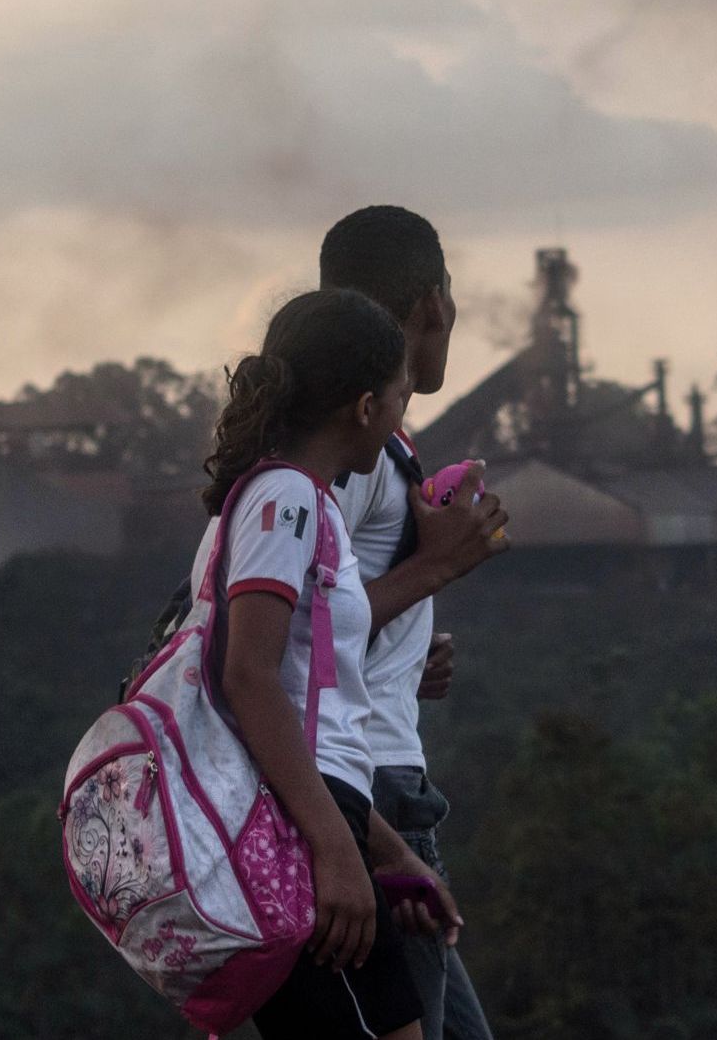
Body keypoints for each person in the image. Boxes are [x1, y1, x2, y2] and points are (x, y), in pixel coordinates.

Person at [195, 288, 430, 1039]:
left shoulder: (310, 503)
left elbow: (310, 695)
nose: (402, 415)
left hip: (323, 818)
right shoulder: (285, 500)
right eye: (400, 398)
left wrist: (387, 855)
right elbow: (250, 677)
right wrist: (333, 849)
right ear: (365, 407)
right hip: (298, 831)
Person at [320, 205, 508, 1039]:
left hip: (382, 778)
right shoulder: (349, 450)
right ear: (434, 305)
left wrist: (399, 659)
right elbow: (288, 635)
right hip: (375, 791)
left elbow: (333, 621)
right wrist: (441, 564)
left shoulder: (376, 445)